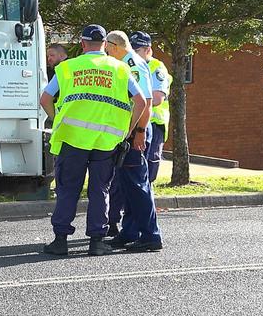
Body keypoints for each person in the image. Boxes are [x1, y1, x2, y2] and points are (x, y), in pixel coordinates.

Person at [40, 25, 146, 256]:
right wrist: (128, 131)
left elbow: (45, 98)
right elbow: (141, 102)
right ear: (105, 45)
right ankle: (97, 242)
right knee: (100, 190)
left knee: (68, 189)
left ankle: (60, 241)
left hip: (72, 139)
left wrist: (57, 119)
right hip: (106, 142)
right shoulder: (119, 69)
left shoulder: (68, 67)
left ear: (82, 43)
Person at [104, 30, 163, 252]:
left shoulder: (132, 64)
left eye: (107, 48)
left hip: (135, 133)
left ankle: (151, 235)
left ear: (113, 45)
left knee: (138, 185)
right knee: (127, 185)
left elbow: (146, 103)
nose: (105, 52)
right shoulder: (124, 63)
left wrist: (138, 132)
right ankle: (130, 232)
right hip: (126, 132)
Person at [130, 31, 172, 183]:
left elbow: (156, 99)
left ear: (148, 50)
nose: (133, 54)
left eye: (137, 51)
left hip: (154, 124)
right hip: (136, 121)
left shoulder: (156, 67)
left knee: (148, 165)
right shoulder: (131, 65)